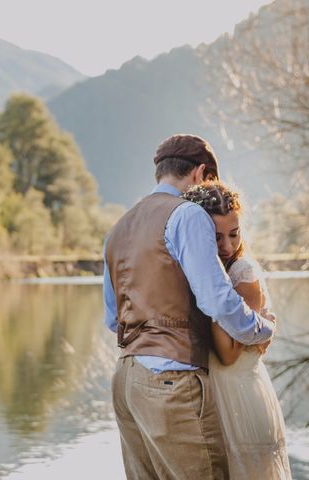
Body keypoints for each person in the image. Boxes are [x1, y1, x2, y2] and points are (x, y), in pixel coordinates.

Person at [103, 134, 276, 480]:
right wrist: (263, 327)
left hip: (126, 379)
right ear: (200, 174)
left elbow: (113, 317)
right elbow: (217, 300)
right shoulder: (188, 214)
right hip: (172, 381)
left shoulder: (119, 227)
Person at [181, 182, 292, 479]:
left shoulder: (242, 273)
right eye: (216, 237)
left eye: (234, 234)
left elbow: (229, 354)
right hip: (216, 398)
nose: (227, 246)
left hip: (242, 397)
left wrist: (214, 290)